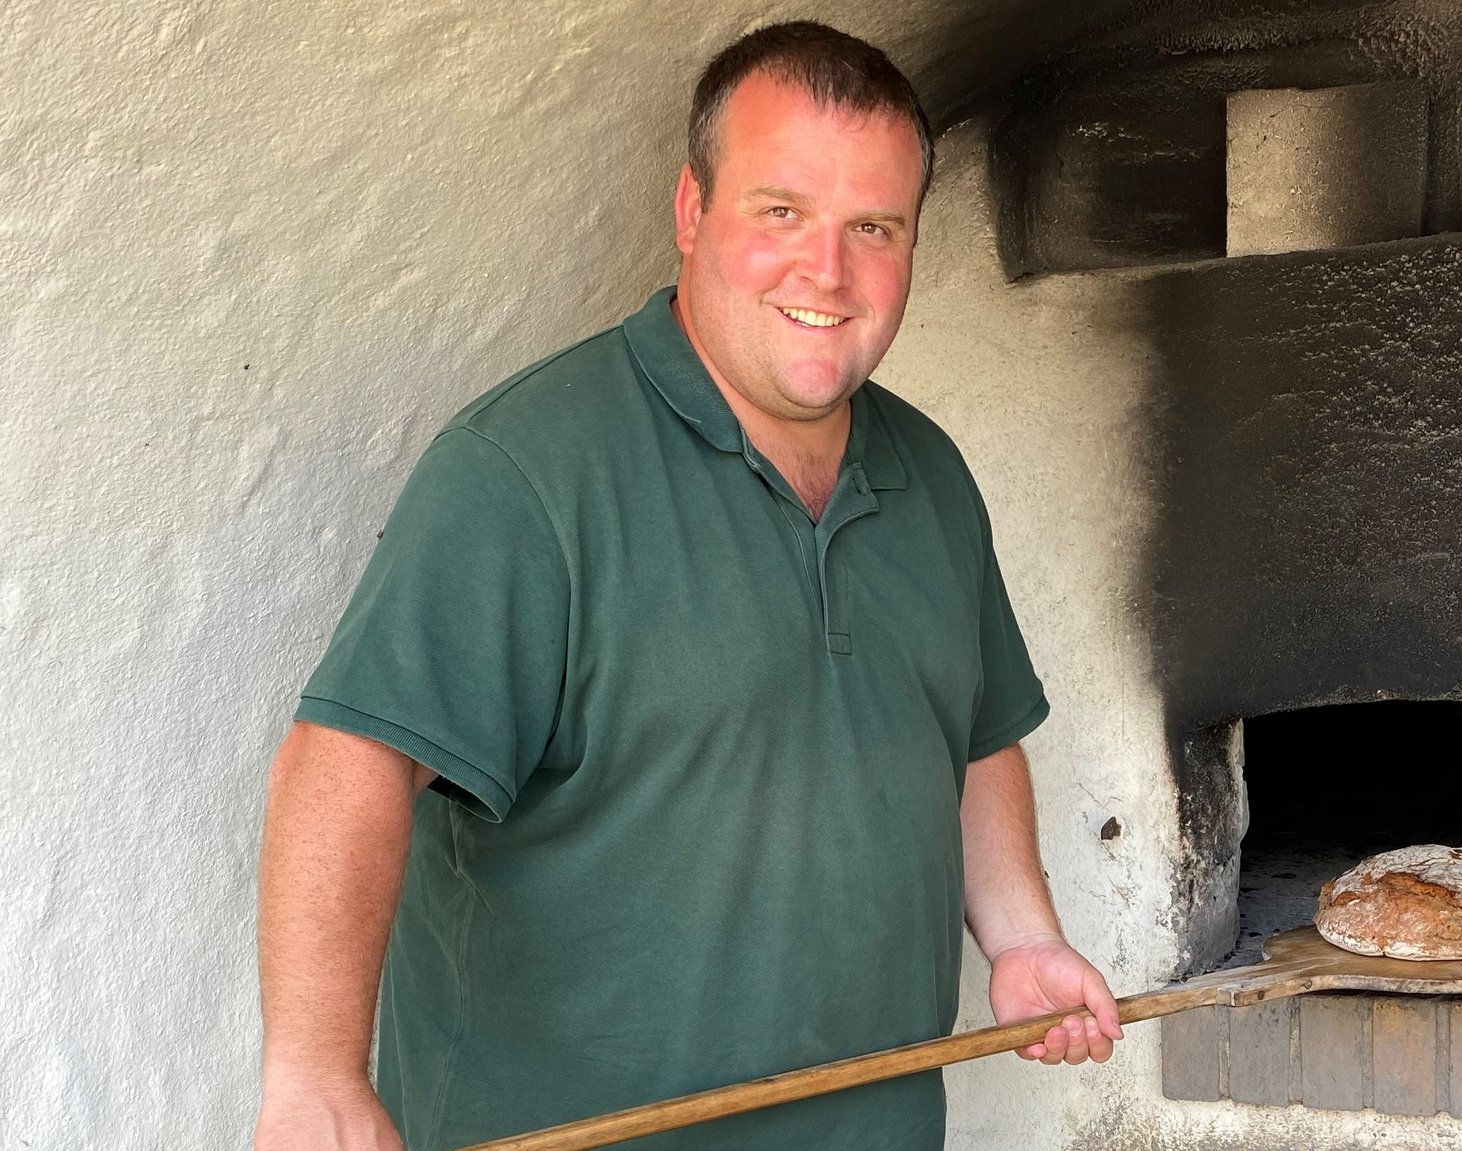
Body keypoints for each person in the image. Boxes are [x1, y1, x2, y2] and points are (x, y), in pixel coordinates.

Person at [252, 22, 1121, 1151]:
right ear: (690, 212)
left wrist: (1021, 936)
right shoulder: (527, 472)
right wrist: (315, 1072)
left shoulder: (930, 476)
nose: (828, 269)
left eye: (874, 226)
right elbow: (349, 760)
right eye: (781, 212)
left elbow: (970, 731)